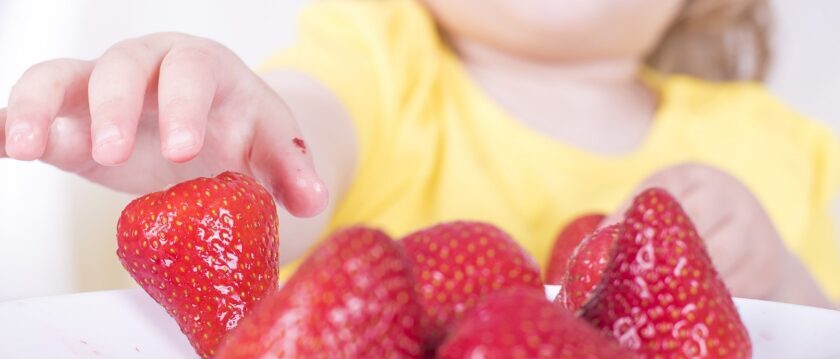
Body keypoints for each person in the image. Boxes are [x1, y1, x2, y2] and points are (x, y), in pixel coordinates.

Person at [1, 0, 837, 307]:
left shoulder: (782, 145)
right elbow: (301, 150)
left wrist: (782, 290)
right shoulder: (380, 59)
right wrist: (226, 164)